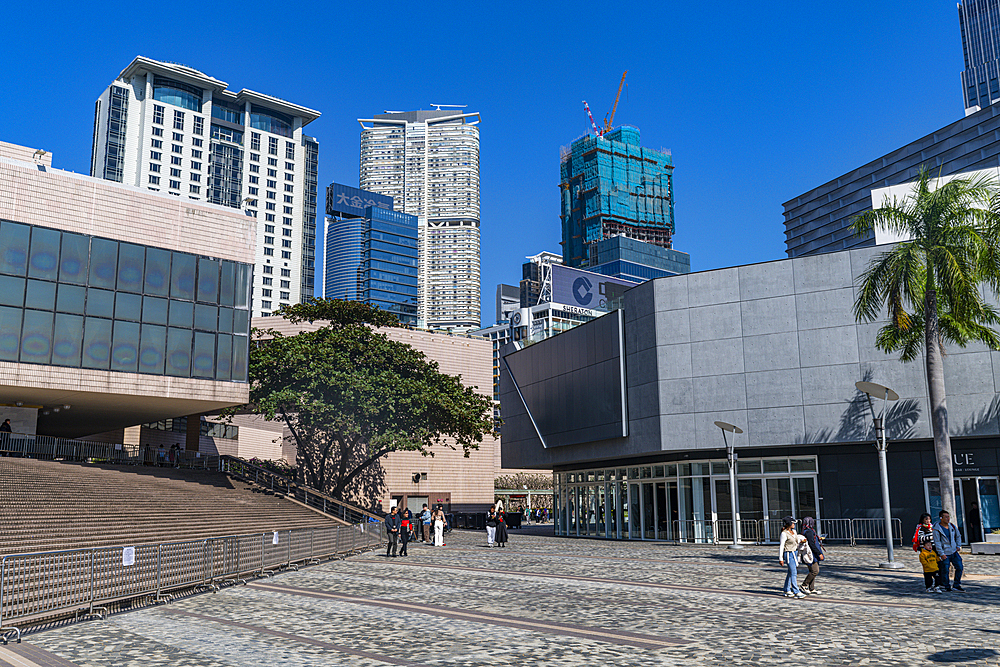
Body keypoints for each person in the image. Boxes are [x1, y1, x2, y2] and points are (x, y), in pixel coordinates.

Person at [933, 510, 965, 591]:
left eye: (948, 517)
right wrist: (941, 553)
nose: (948, 519)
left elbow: (958, 536)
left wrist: (958, 545)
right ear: (941, 518)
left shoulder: (952, 526)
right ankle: (946, 586)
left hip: (954, 551)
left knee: (959, 567)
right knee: (945, 570)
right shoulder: (937, 529)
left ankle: (956, 584)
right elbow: (937, 542)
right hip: (945, 552)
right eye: (946, 517)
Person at [778, 516, 807, 598]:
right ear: (788, 524)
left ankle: (786, 589)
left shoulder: (794, 531)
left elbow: (796, 540)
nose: (794, 524)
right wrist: (780, 558)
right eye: (792, 523)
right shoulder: (784, 533)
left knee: (790, 572)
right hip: (788, 554)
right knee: (794, 572)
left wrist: (802, 541)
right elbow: (781, 546)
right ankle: (796, 591)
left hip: (795, 552)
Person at [800, 516, 824, 595]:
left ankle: (811, 588)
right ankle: (804, 585)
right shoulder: (809, 531)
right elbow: (811, 544)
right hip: (812, 554)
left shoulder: (806, 531)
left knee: (812, 570)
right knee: (815, 571)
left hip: (811, 553)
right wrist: (819, 553)